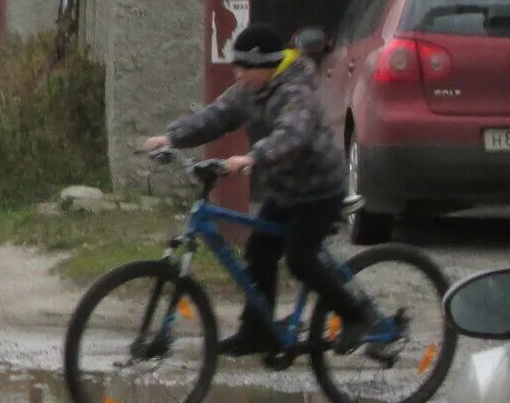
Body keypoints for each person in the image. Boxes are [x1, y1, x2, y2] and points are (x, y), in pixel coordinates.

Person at [141, 22, 383, 357]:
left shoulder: (295, 93)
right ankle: (258, 332)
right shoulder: (250, 91)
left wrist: (252, 157)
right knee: (259, 252)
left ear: (267, 66)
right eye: (236, 66)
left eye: (245, 68)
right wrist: (171, 138)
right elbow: (216, 116)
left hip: (319, 191)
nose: (238, 75)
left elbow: (291, 136)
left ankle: (357, 317)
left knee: (300, 258)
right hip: (285, 188)